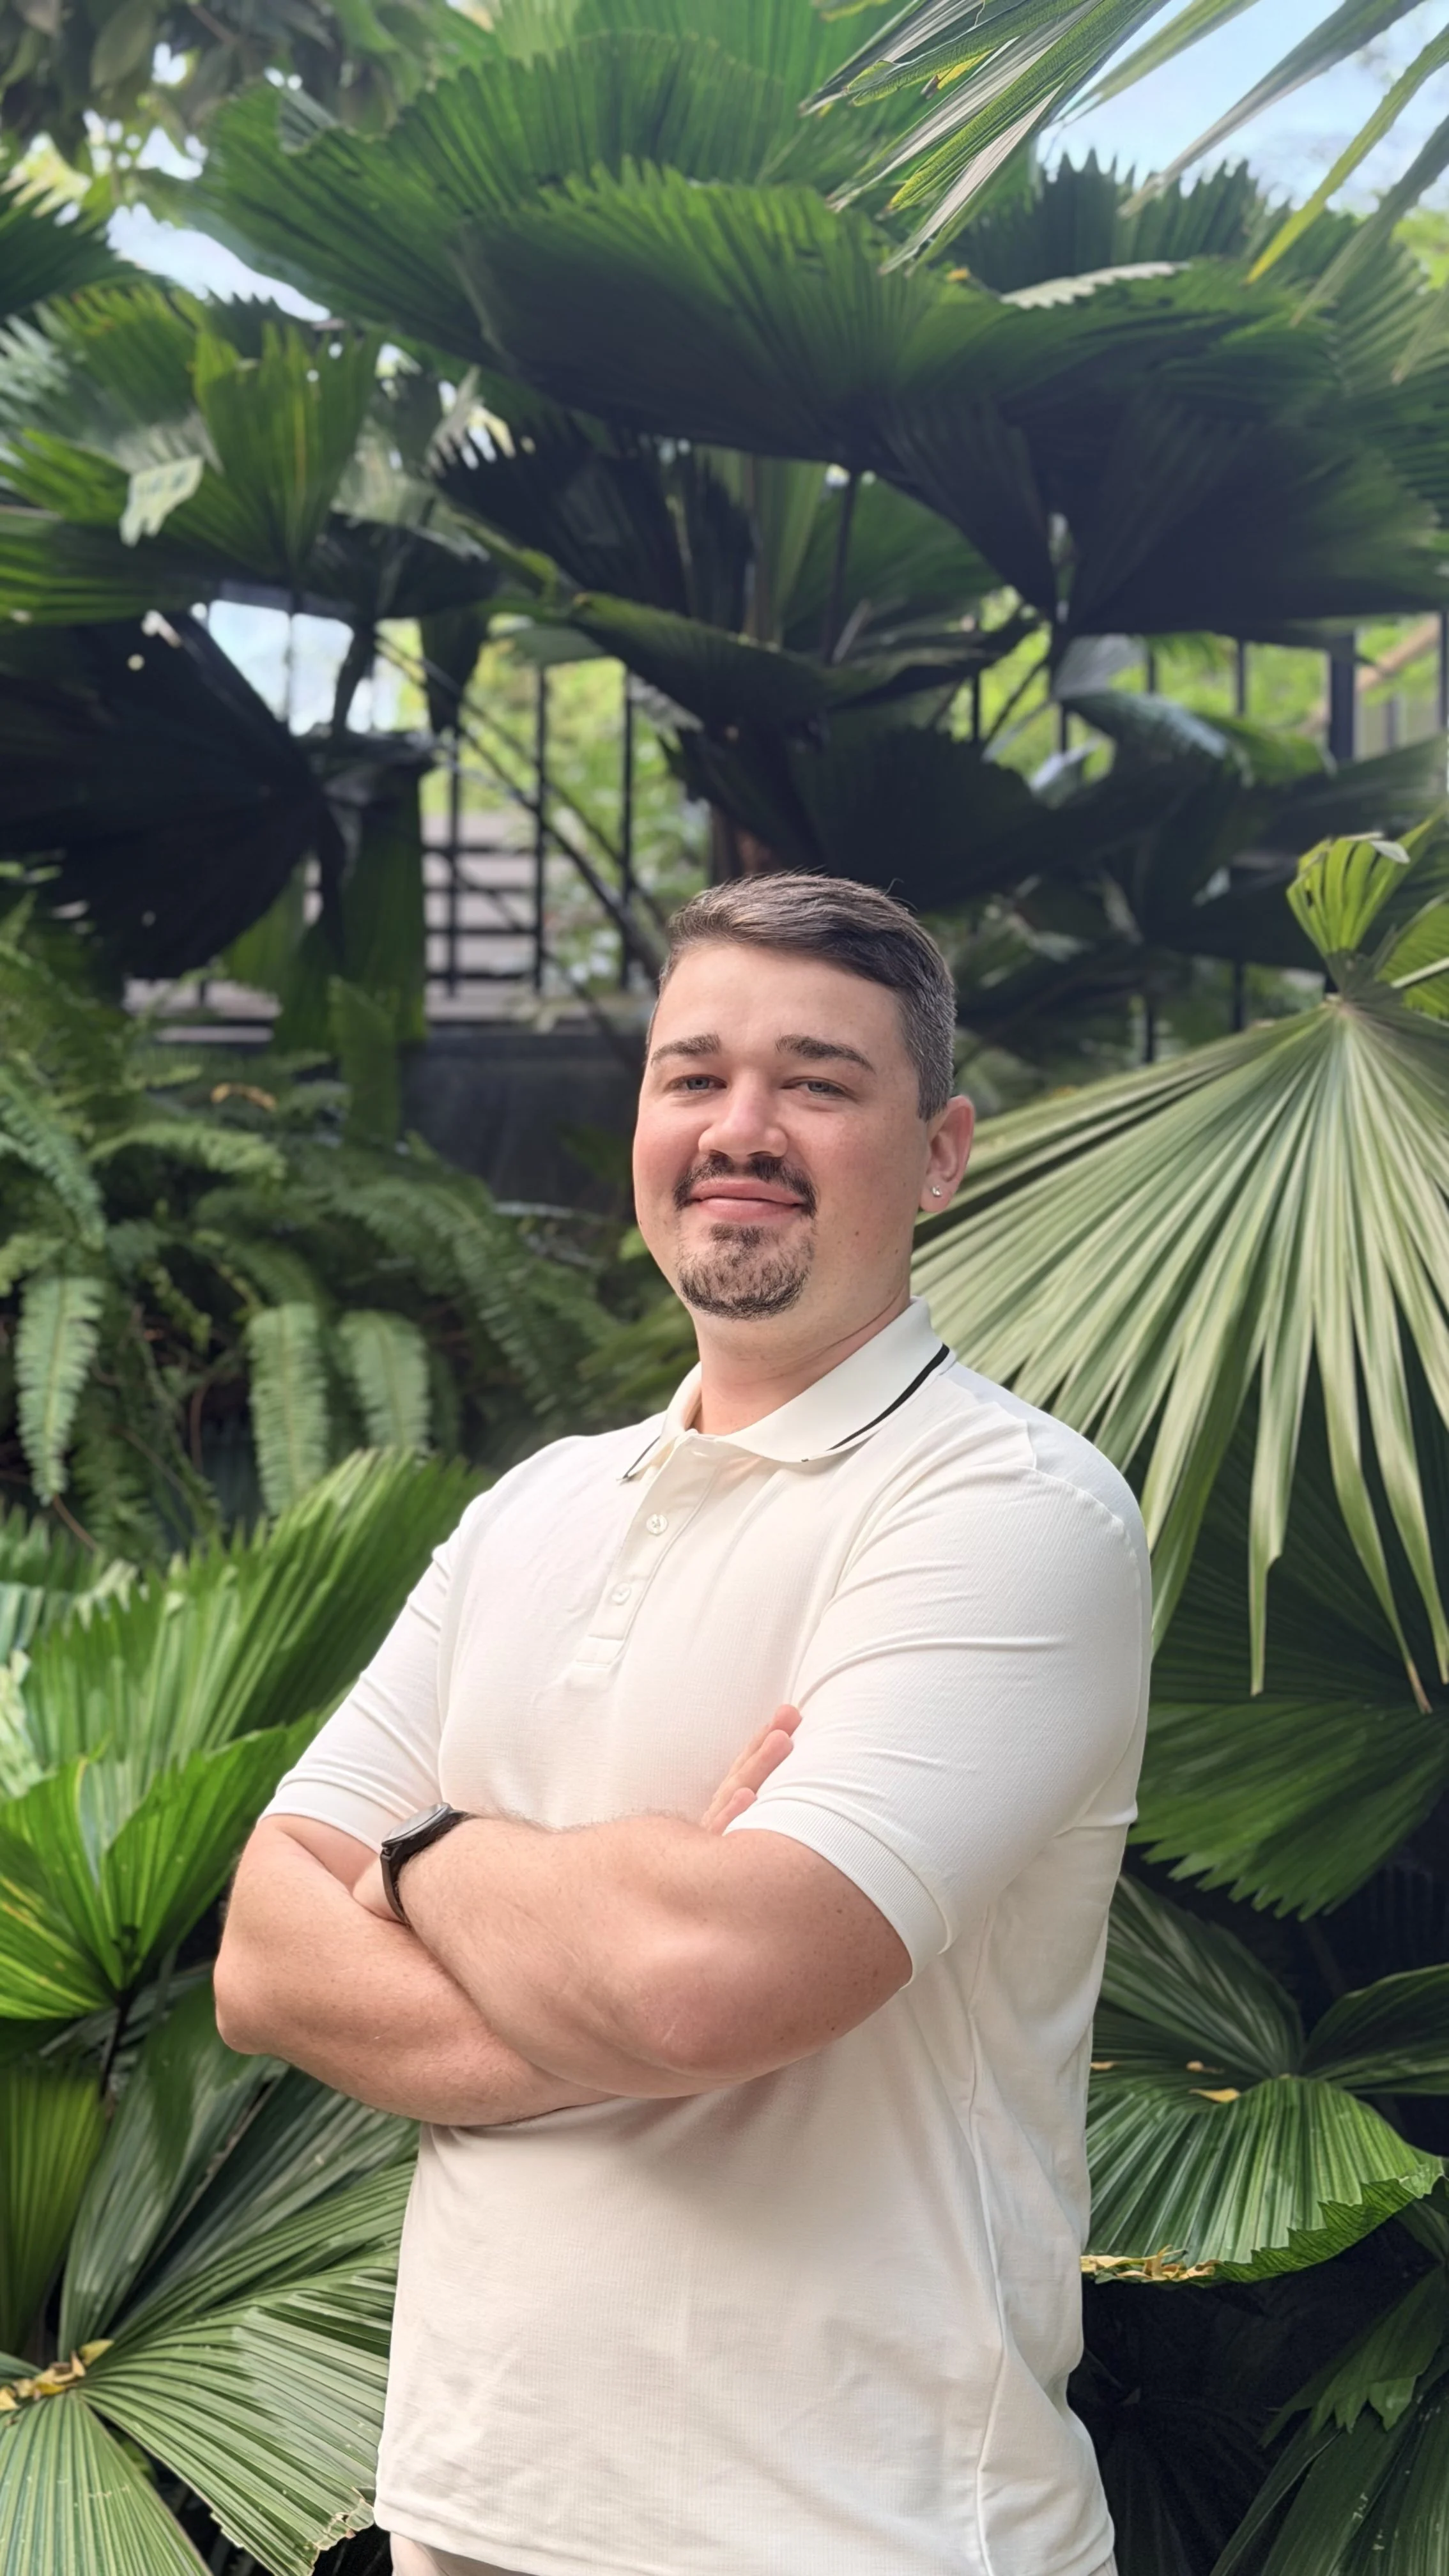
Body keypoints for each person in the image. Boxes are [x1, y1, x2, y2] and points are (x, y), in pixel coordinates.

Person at [217, 873, 1149, 2576]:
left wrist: (427, 1859)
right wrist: (625, 1941)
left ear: (938, 1151)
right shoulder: (533, 1513)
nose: (741, 1127)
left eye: (815, 1079)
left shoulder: (1009, 1514)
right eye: (691, 1074)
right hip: (472, 2514)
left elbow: (711, 1980)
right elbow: (267, 1959)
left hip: (860, 2533)